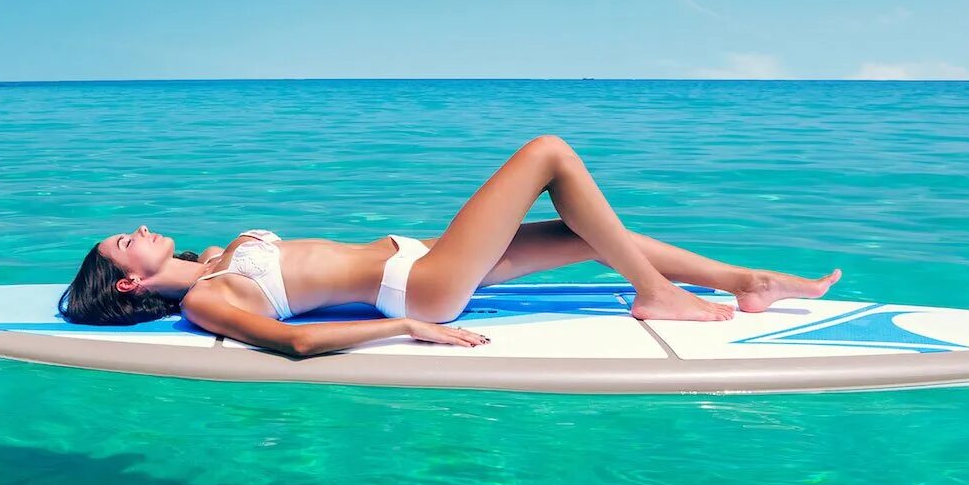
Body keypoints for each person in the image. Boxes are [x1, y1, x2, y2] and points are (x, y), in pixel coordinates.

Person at [58, 135, 840, 358]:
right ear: (127, 284)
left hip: (421, 257)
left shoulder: (222, 256)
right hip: (422, 288)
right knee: (549, 156)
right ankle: (658, 296)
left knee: (585, 232)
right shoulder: (206, 299)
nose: (142, 227)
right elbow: (293, 344)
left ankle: (749, 281)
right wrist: (407, 327)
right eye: (128, 241)